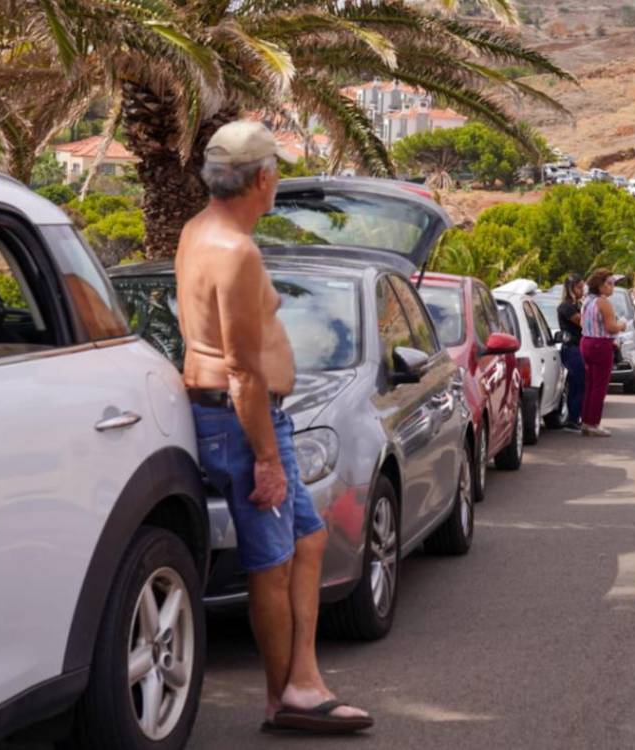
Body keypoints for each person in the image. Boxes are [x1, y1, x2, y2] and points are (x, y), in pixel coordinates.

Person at [175, 121, 373, 733]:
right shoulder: (235, 251)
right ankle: (286, 699)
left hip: (246, 418)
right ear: (262, 179)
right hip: (243, 423)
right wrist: (264, 457)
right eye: (276, 173)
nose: (277, 182)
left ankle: (303, 676)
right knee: (272, 559)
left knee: (307, 539)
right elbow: (241, 369)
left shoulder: (197, 231)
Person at [579, 268, 625, 437]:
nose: (612, 287)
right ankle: (593, 423)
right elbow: (611, 327)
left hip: (586, 342)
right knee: (600, 385)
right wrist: (622, 325)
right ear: (600, 285)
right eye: (609, 283)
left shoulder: (587, 300)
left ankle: (585, 420)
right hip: (600, 344)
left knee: (590, 384)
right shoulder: (603, 302)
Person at [557, 273, 587, 432]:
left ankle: (576, 417)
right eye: (579, 287)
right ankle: (572, 419)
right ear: (570, 288)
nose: (582, 290)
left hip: (579, 347)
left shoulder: (578, 305)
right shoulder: (566, 307)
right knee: (577, 382)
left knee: (581, 383)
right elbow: (583, 322)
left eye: (582, 287)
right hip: (572, 348)